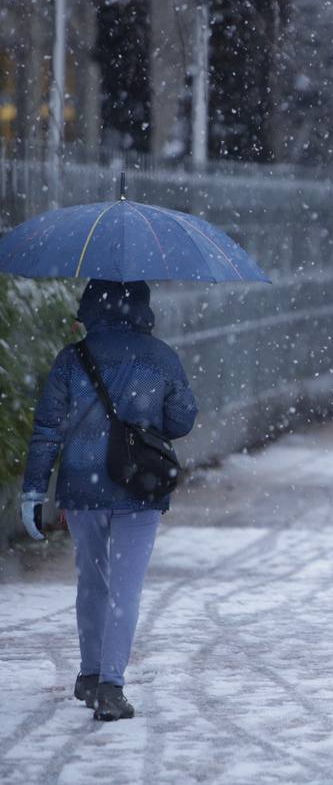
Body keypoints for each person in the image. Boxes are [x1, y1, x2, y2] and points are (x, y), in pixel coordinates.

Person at [18, 280, 197, 722]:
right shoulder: (160, 357)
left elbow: (47, 429)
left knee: (92, 582)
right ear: (142, 307)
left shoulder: (72, 358)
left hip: (82, 486)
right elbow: (181, 420)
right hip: (140, 485)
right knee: (125, 589)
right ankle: (111, 688)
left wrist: (33, 490)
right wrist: (143, 415)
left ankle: (89, 673)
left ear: (90, 307)